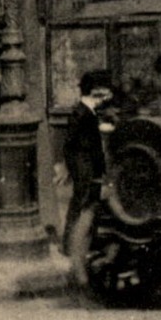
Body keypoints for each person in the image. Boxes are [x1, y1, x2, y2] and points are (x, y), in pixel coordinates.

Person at [60, 70, 116, 252]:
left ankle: (83, 242)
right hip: (85, 168)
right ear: (96, 92)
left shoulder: (87, 113)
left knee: (88, 204)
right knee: (81, 204)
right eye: (104, 92)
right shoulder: (82, 114)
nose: (106, 97)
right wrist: (76, 169)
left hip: (87, 167)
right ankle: (70, 245)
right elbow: (72, 145)